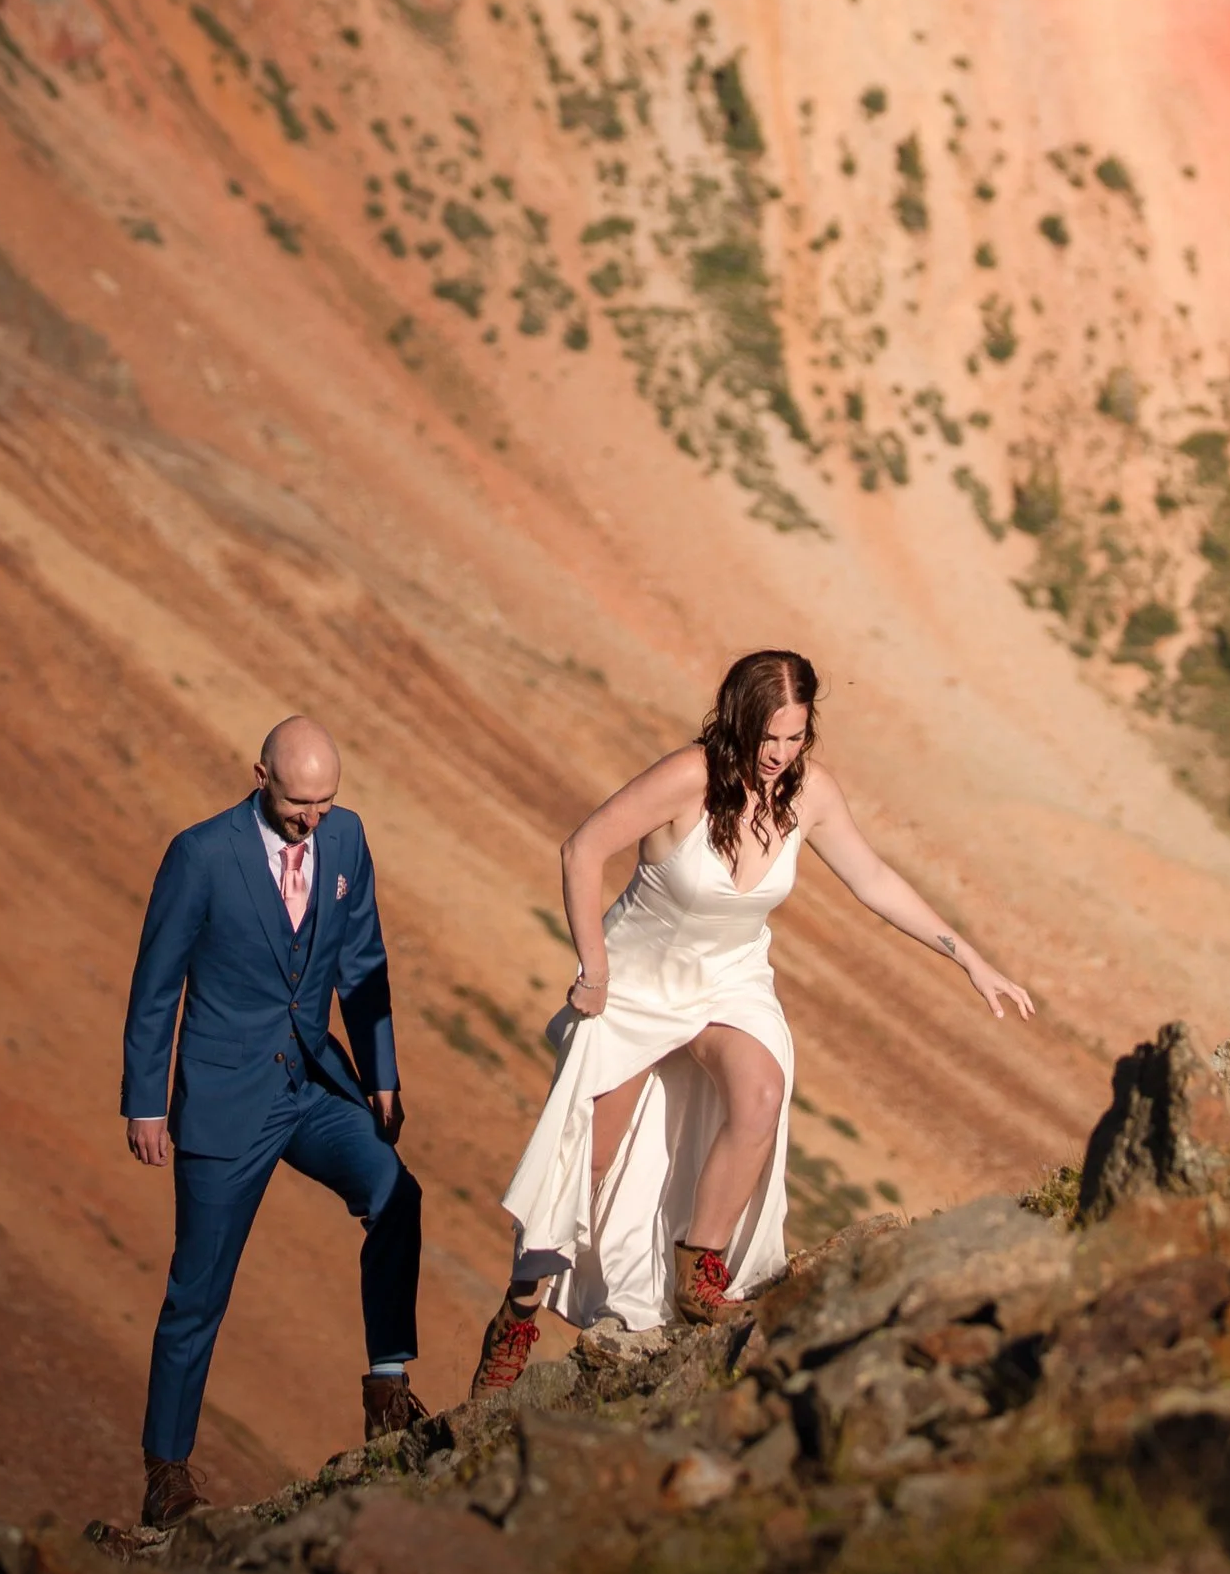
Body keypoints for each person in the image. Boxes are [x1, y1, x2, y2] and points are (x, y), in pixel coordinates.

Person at [475, 649, 1034, 1390]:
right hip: (638, 981)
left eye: (795, 738)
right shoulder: (688, 778)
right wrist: (594, 969)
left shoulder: (812, 795)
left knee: (762, 1095)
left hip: (731, 980)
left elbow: (873, 879)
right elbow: (582, 850)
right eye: (768, 738)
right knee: (587, 1160)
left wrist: (969, 958)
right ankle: (518, 1312)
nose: (779, 755)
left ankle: (699, 1268)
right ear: (738, 721)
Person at [119, 713, 427, 1529]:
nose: (313, 818)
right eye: (299, 803)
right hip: (224, 1100)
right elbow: (157, 985)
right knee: (199, 1290)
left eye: (326, 801)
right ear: (260, 776)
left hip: (313, 1086)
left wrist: (381, 1073)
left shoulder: (346, 841)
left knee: (394, 1191)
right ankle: (166, 1471)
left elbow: (364, 960)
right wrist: (147, 1102)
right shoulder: (201, 856)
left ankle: (389, 1383)